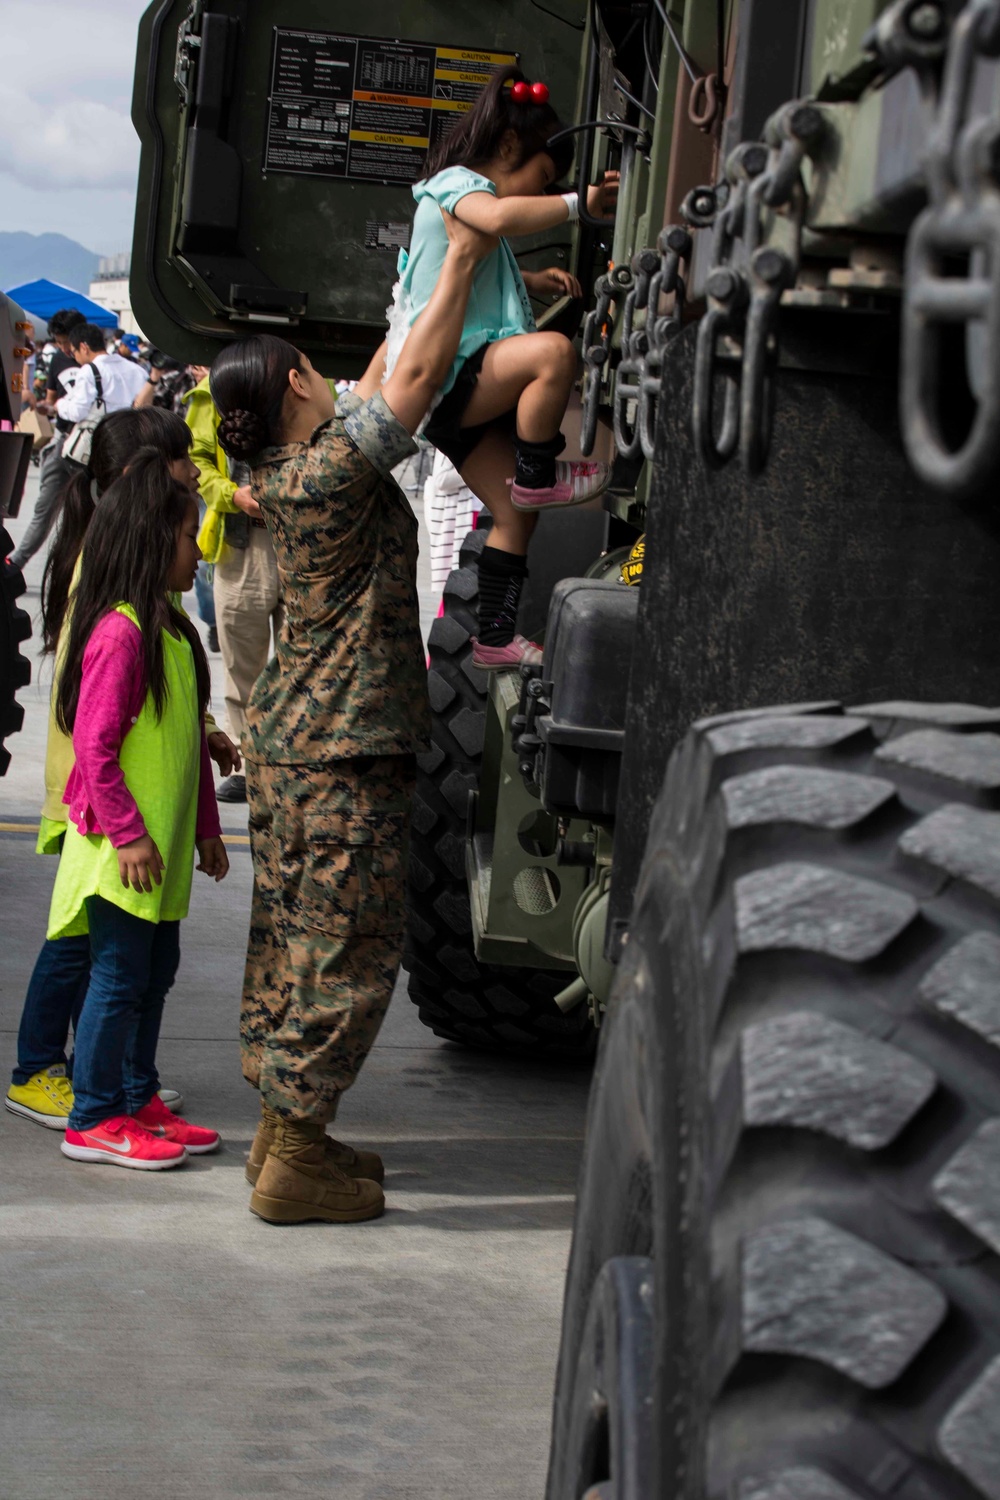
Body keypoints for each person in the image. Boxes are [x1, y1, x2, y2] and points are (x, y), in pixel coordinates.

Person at [209, 209, 494, 1224]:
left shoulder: (283, 469)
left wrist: (418, 282)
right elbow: (407, 387)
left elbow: (383, 370)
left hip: (292, 741)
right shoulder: (332, 472)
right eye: (312, 372)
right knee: (348, 945)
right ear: (294, 382)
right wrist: (463, 252)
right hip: (342, 745)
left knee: (291, 934)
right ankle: (295, 1162)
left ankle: (288, 1137)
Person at [5, 408, 240, 1132]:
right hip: (108, 820)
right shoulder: (115, 614)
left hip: (144, 828)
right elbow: (98, 731)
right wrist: (129, 826)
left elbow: (162, 713)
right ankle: (63, 1080)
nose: (197, 547)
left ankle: (119, 1085)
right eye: (179, 462)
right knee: (92, 961)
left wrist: (202, 799)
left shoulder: (164, 618)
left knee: (132, 971)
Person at [386, 64, 619, 669]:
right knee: (553, 353)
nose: (541, 195)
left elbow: (486, 254)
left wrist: (533, 278)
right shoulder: (454, 184)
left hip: (451, 397)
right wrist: (578, 205)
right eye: (542, 180)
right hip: (449, 373)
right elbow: (492, 222)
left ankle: (493, 638)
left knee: (514, 518)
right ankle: (539, 471)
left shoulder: (471, 201)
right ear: (510, 146)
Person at [50, 452, 228, 1170]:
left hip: (158, 857)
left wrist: (208, 831)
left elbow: (186, 741)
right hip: (124, 855)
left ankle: (134, 1092)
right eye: (191, 536)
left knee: (152, 978)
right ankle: (92, 1115)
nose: (199, 551)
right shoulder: (122, 633)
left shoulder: (175, 634)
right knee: (118, 980)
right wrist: (128, 835)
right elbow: (93, 751)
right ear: (155, 540)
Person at [183, 373, 282, 802]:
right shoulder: (210, 390)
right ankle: (248, 761)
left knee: (308, 659)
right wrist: (231, 495)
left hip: (302, 541)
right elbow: (197, 462)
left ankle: (294, 760)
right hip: (241, 542)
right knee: (242, 664)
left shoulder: (304, 377)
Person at [6, 309, 85, 572]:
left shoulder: (93, 359)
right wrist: (46, 407)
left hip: (91, 448)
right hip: (63, 442)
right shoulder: (58, 362)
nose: (63, 347)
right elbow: (50, 400)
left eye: (64, 341)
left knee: (86, 516)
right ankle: (15, 564)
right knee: (44, 509)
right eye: (58, 341)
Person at [54, 323, 148, 426]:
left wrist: (60, 405)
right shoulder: (139, 370)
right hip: (135, 432)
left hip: (107, 434)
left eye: (74, 352)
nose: (75, 357)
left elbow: (78, 412)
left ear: (83, 348)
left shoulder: (89, 371)